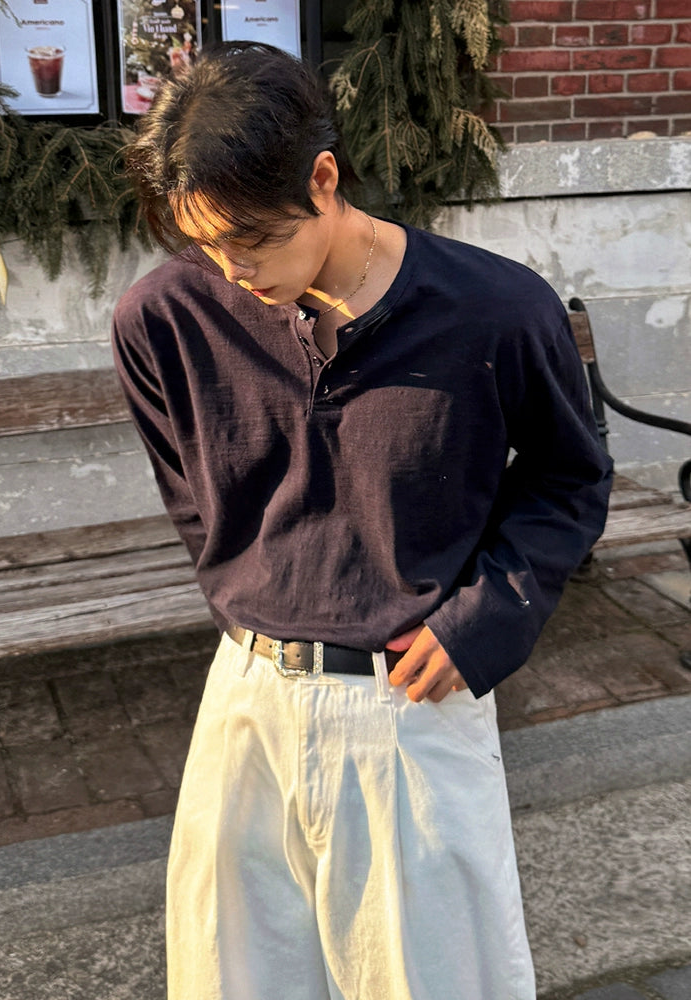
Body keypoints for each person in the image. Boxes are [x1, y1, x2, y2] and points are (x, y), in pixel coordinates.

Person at [112, 41, 612, 1000]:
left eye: (251, 236)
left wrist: (487, 619)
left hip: (413, 705)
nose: (232, 267)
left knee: (437, 982)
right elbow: (193, 496)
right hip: (247, 702)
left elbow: (571, 477)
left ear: (324, 178)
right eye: (203, 242)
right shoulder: (164, 318)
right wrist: (255, 608)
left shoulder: (496, 311)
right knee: (233, 981)